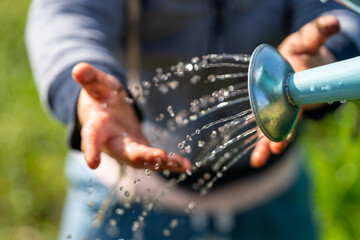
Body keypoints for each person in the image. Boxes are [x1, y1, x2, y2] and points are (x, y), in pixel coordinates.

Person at [25, 0, 360, 239]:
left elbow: (333, 9)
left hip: (272, 199)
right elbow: (68, 14)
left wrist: (326, 56)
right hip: (128, 195)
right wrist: (90, 96)